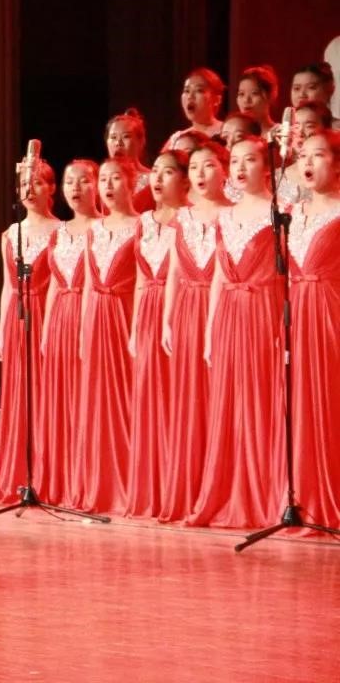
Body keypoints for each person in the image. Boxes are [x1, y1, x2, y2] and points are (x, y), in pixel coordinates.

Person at [191, 136, 284, 529]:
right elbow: (217, 276)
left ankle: (265, 493)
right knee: (228, 403)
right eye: (236, 161)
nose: (241, 168)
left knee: (261, 401)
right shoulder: (225, 217)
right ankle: (229, 491)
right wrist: (210, 331)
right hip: (228, 315)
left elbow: (286, 276)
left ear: (267, 167)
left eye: (251, 160)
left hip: (263, 312)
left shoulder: (280, 212)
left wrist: (283, 327)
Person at [159, 141, 232, 523]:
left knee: (219, 396)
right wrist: (167, 318)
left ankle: (220, 483)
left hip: (222, 309)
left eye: (209, 166)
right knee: (189, 398)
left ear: (224, 170)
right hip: (187, 310)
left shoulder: (233, 215)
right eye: (195, 167)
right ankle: (189, 485)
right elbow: (173, 270)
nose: (201, 174)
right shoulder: (182, 218)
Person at [0, 156, 59, 504]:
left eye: (38, 183)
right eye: (23, 185)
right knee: (19, 395)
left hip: (47, 313)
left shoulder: (62, 231)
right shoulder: (10, 235)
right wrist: (1, 332)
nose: (29, 191)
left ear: (51, 189)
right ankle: (20, 473)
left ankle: (49, 473)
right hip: (17, 318)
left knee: (46, 393)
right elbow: (8, 285)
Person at [73, 156, 139, 513]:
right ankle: (99, 484)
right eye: (104, 180)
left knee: (127, 399)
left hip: (125, 316)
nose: (108, 186)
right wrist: (84, 328)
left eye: (116, 178)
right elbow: (86, 284)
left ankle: (130, 483)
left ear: (132, 183)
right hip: (97, 318)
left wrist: (138, 326)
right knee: (97, 402)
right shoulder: (93, 229)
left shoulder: (142, 225)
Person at [125, 151, 188, 518]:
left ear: (184, 179)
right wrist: (135, 327)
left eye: (168, 173)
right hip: (148, 310)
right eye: (156, 172)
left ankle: (177, 483)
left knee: (177, 397)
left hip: (179, 307)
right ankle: (153, 485)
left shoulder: (190, 219)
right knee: (150, 397)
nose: (158, 179)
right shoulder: (144, 221)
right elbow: (138, 278)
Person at [35, 160, 100, 507]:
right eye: (69, 181)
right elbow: (52, 285)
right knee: (62, 401)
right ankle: (61, 479)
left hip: (93, 318)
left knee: (89, 399)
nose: (75, 188)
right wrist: (47, 329)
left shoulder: (104, 228)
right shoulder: (58, 233)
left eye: (84, 181)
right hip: (60, 318)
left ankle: (90, 479)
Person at [288, 130, 340, 532]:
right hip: (298, 314)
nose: (307, 161)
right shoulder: (291, 211)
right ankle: (303, 496)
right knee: (301, 402)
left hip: (331, 312)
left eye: (318, 155)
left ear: (337, 164)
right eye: (303, 155)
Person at [104, 109, 154, 213]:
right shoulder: (102, 180)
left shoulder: (153, 179)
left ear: (141, 142)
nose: (118, 143)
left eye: (126, 136)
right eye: (113, 137)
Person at [163, 68, 225, 150]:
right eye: (187, 91)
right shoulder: (177, 140)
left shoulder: (227, 132)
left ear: (217, 99)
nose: (190, 96)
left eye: (199, 90)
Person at [235, 65, 280, 138]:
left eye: (254, 93)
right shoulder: (234, 135)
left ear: (270, 96)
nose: (246, 100)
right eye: (241, 94)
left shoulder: (280, 134)